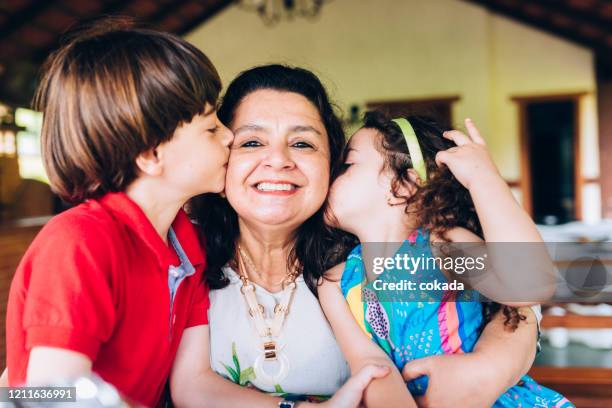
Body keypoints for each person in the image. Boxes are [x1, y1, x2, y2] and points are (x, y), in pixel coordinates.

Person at [184, 65, 543, 407]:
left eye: (303, 144)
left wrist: (491, 366)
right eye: (251, 142)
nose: (278, 160)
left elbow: (523, 297)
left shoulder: (376, 256)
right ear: (222, 158)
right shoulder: (186, 257)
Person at [4, 18, 233, 407]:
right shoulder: (79, 243)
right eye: (211, 128)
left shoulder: (186, 247)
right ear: (151, 154)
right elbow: (51, 397)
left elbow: (194, 384)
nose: (230, 136)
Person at [319, 110, 573, 407]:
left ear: (402, 187)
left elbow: (528, 285)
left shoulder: (442, 246)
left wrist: (484, 179)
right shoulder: (335, 283)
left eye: (347, 165)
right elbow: (371, 367)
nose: (329, 177)